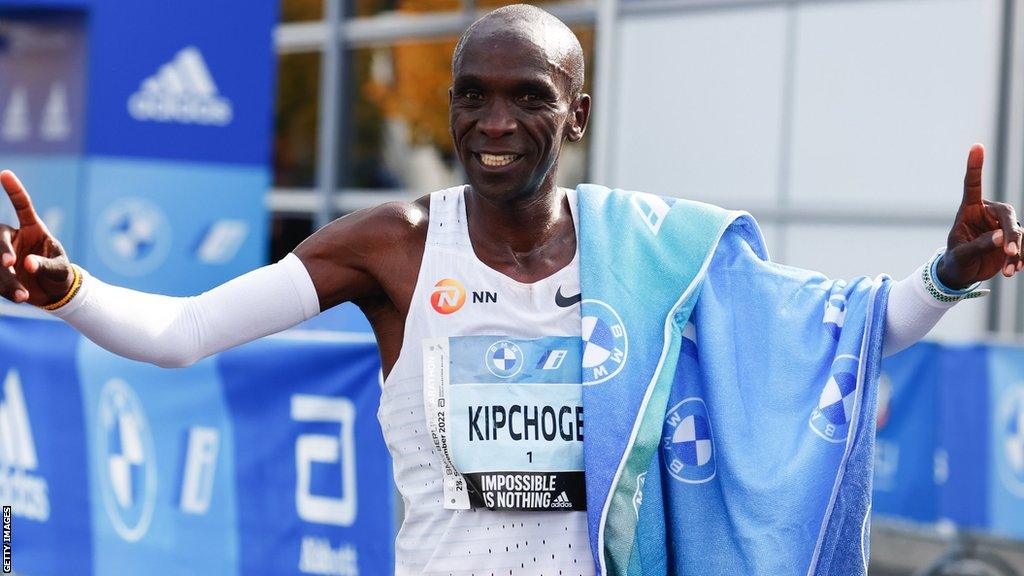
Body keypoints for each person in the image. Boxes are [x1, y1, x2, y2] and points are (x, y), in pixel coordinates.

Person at [0, 5, 1021, 575]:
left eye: (527, 98)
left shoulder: (654, 256)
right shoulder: (392, 247)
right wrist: (69, 287)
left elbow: (843, 333)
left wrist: (945, 277)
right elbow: (183, 332)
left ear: (573, 116)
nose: (495, 122)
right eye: (472, 97)